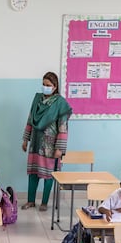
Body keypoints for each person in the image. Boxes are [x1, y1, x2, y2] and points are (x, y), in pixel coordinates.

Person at [21, 71, 72, 211]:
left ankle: (44, 203)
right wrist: (26, 139)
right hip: (36, 143)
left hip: (50, 146)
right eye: (43, 84)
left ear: (55, 86)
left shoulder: (60, 103)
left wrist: (59, 148)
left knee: (48, 175)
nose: (45, 87)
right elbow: (30, 120)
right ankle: (31, 201)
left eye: (48, 85)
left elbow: (63, 128)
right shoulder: (37, 99)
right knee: (33, 173)